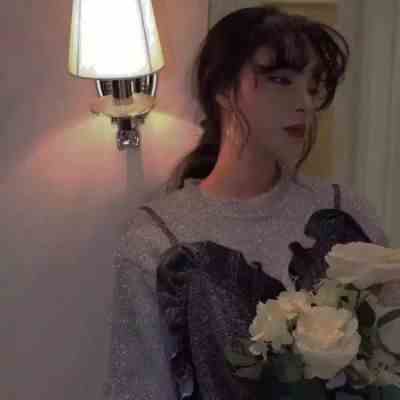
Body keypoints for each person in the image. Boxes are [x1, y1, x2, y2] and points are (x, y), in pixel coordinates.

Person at [104, 5, 388, 400]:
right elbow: (139, 389)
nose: (304, 103)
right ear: (224, 89)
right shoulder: (156, 239)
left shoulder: (346, 214)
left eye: (312, 86)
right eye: (280, 80)